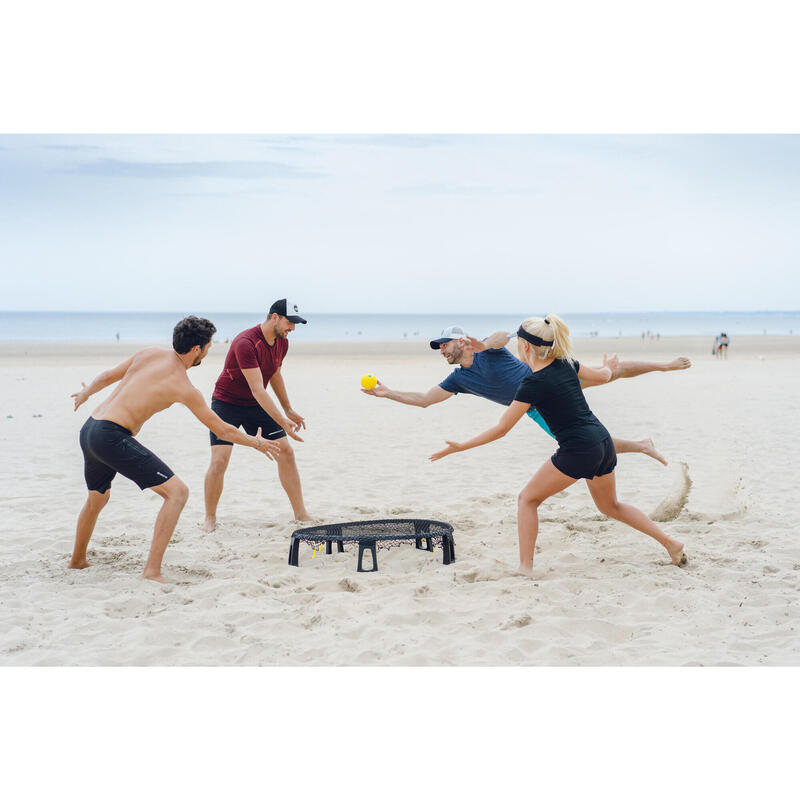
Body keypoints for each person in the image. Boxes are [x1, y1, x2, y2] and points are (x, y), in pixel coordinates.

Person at [429, 314, 687, 574]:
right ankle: (671, 543)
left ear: (526, 347)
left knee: (527, 500)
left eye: (518, 342)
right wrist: (608, 366)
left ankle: (525, 567)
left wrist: (462, 446)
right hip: (603, 442)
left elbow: (502, 429)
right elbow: (605, 375)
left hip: (579, 450)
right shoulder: (566, 363)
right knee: (611, 506)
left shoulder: (531, 385)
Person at [70, 316, 281, 582]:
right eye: (208, 347)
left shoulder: (148, 354)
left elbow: (109, 376)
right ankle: (152, 571)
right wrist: (257, 442)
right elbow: (222, 430)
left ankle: (77, 561)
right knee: (177, 493)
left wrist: (86, 392)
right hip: (110, 436)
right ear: (196, 350)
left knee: (98, 498)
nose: (208, 351)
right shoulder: (184, 386)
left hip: (90, 429)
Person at [363, 324, 692, 465]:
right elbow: (424, 399)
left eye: (443, 344)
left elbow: (502, 335)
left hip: (548, 379)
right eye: (439, 347)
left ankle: (663, 365)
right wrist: (388, 392)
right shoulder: (458, 379)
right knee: (579, 442)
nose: (440, 350)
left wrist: (484, 343)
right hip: (535, 406)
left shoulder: (488, 351)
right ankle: (641, 445)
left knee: (610, 374)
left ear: (460, 342)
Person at [203, 299, 313, 531]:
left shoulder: (282, 342)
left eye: (295, 324)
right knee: (220, 460)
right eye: (289, 322)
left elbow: (274, 376)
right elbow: (257, 388)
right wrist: (281, 420)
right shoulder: (246, 342)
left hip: (256, 405)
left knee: (286, 452)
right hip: (227, 403)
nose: (292, 328)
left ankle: (301, 514)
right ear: (275, 317)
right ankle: (210, 518)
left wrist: (288, 409)